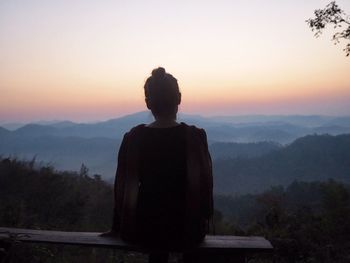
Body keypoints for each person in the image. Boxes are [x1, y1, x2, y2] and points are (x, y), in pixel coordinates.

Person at [105, 67, 213, 262]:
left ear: (148, 103)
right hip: (188, 229)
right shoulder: (195, 137)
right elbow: (205, 185)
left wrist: (118, 226)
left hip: (143, 229)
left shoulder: (133, 139)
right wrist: (203, 221)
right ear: (179, 98)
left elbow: (123, 187)